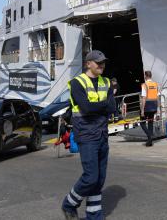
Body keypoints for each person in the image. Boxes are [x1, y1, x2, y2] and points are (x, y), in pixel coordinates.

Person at [61, 50, 116, 220]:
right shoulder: (77, 83)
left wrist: (98, 106)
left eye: (103, 62)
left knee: (99, 179)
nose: (101, 65)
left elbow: (112, 107)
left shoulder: (106, 82)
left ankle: (94, 215)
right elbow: (86, 108)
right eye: (98, 62)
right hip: (86, 135)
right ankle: (69, 203)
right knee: (91, 177)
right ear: (88, 64)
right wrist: (103, 105)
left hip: (102, 134)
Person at [140, 70, 159, 147]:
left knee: (142, 122)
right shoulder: (155, 84)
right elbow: (158, 97)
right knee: (150, 122)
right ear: (151, 76)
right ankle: (149, 141)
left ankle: (149, 136)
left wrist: (142, 110)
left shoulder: (144, 85)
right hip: (154, 105)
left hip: (147, 106)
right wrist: (158, 109)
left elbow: (144, 98)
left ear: (146, 76)